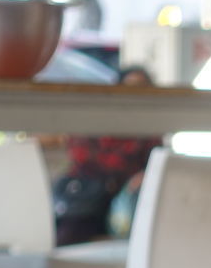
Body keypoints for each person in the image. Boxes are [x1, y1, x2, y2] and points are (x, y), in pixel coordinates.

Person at [53, 66, 162, 245]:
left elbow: (155, 162)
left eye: (142, 87)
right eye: (129, 87)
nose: (135, 94)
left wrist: (142, 176)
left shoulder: (150, 128)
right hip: (90, 194)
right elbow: (81, 154)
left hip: (125, 197)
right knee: (71, 232)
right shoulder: (101, 117)